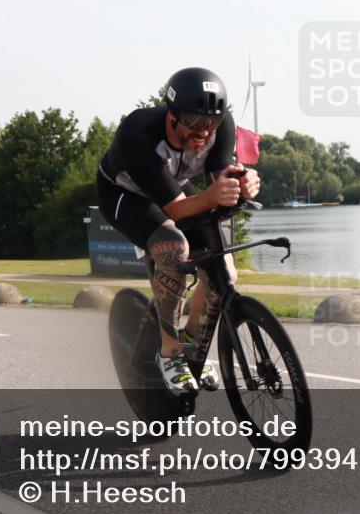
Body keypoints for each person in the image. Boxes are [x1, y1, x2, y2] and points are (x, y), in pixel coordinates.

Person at [96, 67, 261, 395]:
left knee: (224, 270)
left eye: (212, 121)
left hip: (174, 189)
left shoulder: (221, 127)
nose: (205, 130)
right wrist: (212, 197)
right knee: (173, 249)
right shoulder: (138, 132)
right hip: (124, 194)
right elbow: (175, 209)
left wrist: (244, 186)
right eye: (194, 120)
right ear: (172, 116)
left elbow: (219, 187)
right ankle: (170, 354)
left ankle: (191, 343)